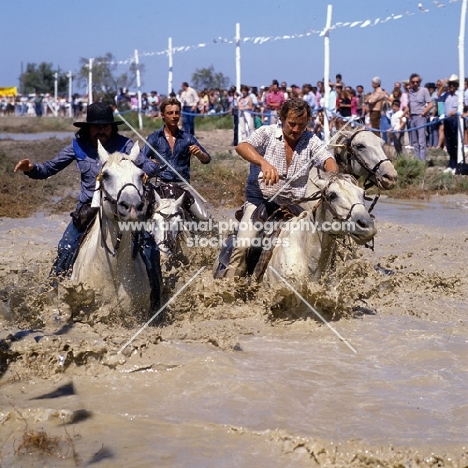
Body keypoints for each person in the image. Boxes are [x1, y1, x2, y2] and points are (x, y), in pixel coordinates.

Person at [14, 102, 160, 278]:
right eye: (96, 127)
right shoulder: (78, 146)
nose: (101, 131)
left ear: (112, 128)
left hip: (122, 207)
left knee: (149, 247)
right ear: (88, 129)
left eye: (105, 127)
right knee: (65, 247)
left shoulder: (125, 145)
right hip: (88, 208)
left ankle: (156, 299)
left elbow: (148, 165)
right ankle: (55, 290)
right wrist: (31, 168)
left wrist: (146, 171)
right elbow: (50, 168)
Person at [224, 98, 339, 279]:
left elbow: (328, 160)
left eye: (301, 125)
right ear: (282, 118)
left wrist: (333, 178)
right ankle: (228, 288)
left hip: (292, 207)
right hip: (260, 203)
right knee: (244, 245)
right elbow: (242, 146)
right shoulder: (267, 133)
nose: (295, 130)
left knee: (326, 242)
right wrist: (263, 163)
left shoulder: (311, 141)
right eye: (291, 124)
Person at [140, 97, 212, 220]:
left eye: (177, 112)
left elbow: (207, 159)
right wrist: (147, 166)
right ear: (162, 115)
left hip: (182, 185)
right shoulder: (154, 138)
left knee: (205, 217)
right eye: (170, 113)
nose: (174, 116)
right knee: (140, 215)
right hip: (158, 184)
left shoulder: (188, 138)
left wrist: (199, 154)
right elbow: (140, 159)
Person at [403, 73, 433, 161]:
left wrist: (424, 113)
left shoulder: (424, 90)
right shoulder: (410, 92)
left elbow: (430, 104)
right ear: (411, 82)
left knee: (421, 142)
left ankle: (422, 162)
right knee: (414, 142)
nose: (415, 83)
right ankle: (417, 161)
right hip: (412, 118)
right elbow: (410, 104)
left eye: (417, 82)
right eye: (413, 82)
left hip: (420, 117)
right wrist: (406, 113)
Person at [442, 75, 462, 174]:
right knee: (449, 144)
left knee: (455, 143)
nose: (451, 86)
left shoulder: (459, 95)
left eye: (453, 84)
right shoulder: (446, 95)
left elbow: (462, 107)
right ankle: (451, 164)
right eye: (450, 84)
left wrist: (454, 112)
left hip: (455, 121)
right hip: (447, 121)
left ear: (457, 85)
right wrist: (441, 114)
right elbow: (439, 101)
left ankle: (456, 165)